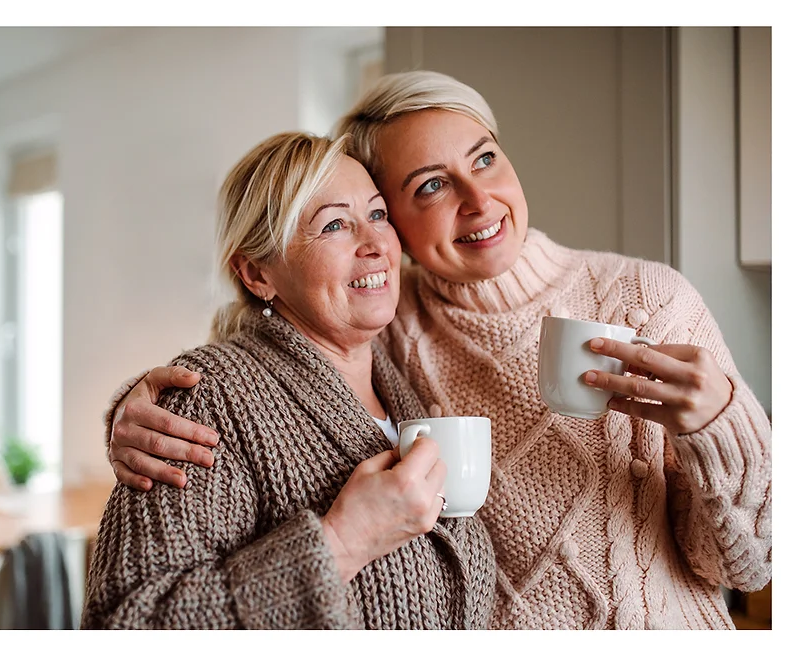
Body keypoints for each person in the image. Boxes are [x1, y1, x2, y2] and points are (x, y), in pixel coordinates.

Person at [104, 71, 772, 630]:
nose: (479, 200)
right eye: (429, 185)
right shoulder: (391, 324)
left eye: (484, 158)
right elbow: (266, 363)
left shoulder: (647, 298)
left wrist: (723, 424)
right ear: (403, 219)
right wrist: (137, 411)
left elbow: (748, 567)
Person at [80, 131, 496, 630]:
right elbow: (125, 624)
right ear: (257, 273)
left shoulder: (404, 381)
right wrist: (341, 543)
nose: (375, 244)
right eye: (336, 225)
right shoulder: (209, 401)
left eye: (378, 214)